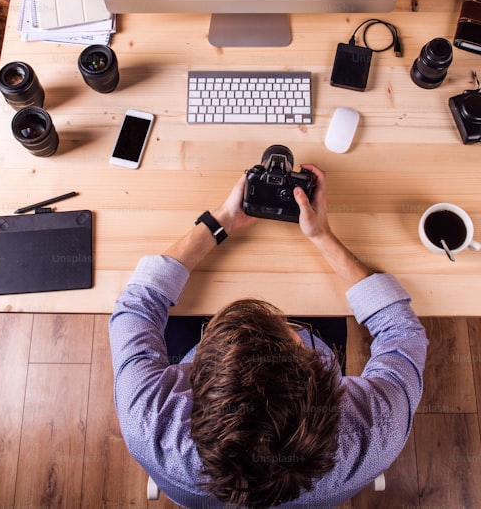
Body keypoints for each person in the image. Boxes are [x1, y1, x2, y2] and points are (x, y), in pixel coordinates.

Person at [109, 164, 428, 508]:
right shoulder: (375, 431)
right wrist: (322, 236)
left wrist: (220, 222)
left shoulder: (148, 421)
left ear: (194, 385)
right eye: (294, 335)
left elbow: (135, 309)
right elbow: (402, 329)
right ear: (320, 381)